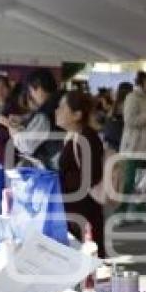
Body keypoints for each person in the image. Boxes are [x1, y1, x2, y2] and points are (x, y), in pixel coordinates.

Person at [55, 89, 105, 254]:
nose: (57, 111)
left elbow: (90, 177)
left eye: (62, 108)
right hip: (74, 210)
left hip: (84, 212)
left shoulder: (87, 138)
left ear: (77, 115)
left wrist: (60, 179)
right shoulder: (72, 136)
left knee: (89, 260)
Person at [0, 69, 64, 170]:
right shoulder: (59, 103)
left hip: (49, 170)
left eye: (31, 91)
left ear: (39, 88)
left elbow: (26, 146)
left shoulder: (44, 114)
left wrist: (12, 128)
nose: (32, 97)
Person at [116, 71, 146, 214]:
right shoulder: (133, 97)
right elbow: (129, 120)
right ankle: (121, 211)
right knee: (129, 181)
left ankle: (140, 211)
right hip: (134, 147)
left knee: (143, 180)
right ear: (144, 82)